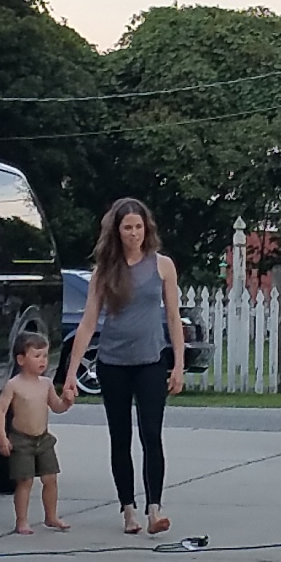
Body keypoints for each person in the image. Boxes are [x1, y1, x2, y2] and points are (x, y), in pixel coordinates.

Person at [60, 198, 186, 535]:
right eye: (127, 227)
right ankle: (128, 509)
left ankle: (154, 509)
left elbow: (173, 317)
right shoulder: (105, 271)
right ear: (117, 231)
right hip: (113, 363)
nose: (134, 233)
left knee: (151, 434)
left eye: (139, 227)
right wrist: (71, 373)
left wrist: (178, 364)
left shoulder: (162, 266)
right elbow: (88, 322)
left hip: (151, 361)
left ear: (147, 229)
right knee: (120, 437)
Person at [0, 329, 76, 534]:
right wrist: (2, 437)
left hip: (43, 439)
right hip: (21, 440)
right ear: (21, 359)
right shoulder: (13, 385)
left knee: (50, 478)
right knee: (25, 481)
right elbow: (0, 411)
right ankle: (22, 520)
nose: (42, 361)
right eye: (37, 356)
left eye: (45, 356)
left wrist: (66, 402)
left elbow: (56, 406)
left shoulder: (46, 384)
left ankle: (51, 516)